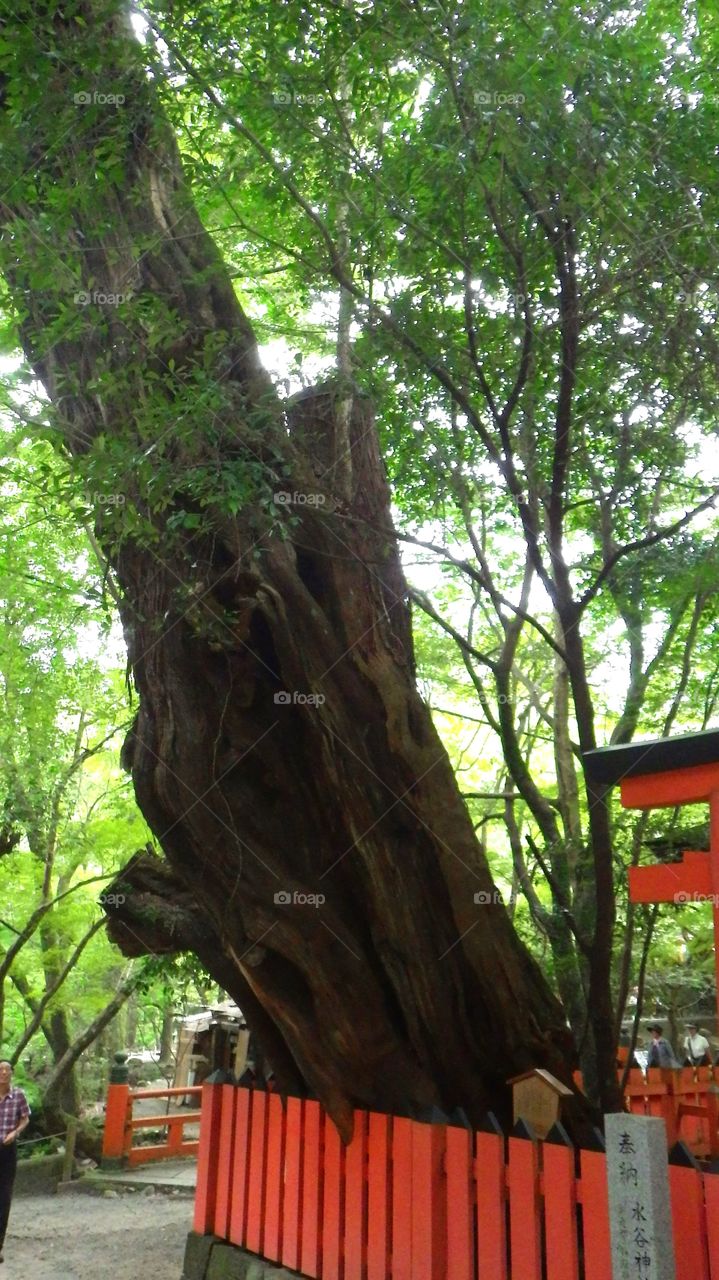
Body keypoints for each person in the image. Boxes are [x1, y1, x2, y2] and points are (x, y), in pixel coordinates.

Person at [0, 1061, 30, 1264]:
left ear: (11, 1073)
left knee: (4, 1198)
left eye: (6, 1070)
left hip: (7, 1150)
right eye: (0, 1070)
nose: (3, 1073)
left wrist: (15, 1132)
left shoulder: (18, 1095)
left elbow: (26, 1118)